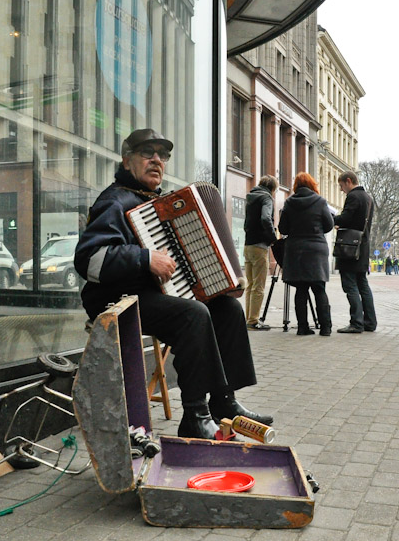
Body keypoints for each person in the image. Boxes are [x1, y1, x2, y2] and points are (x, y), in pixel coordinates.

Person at [74, 128, 272, 440]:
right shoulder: (114, 201)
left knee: (228, 308)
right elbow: (89, 261)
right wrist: (144, 258)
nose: (156, 160)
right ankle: (194, 413)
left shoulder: (158, 202)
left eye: (162, 155)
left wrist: (219, 282)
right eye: (146, 153)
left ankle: (223, 402)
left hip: (152, 294)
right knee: (193, 314)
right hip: (117, 298)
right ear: (127, 162)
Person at [278, 172, 333, 336]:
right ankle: (325, 328)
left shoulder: (289, 203)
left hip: (296, 250)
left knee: (301, 290)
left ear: (296, 186)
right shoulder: (320, 201)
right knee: (319, 288)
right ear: (312, 185)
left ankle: (302, 327)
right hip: (316, 249)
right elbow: (329, 225)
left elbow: (283, 229)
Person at [333, 171, 377, 333]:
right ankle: (370, 322)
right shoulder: (368, 198)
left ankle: (356, 322)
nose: (341, 189)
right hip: (362, 247)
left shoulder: (354, 197)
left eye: (342, 185)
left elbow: (346, 218)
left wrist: (333, 218)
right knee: (363, 285)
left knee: (350, 285)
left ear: (349, 181)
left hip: (349, 248)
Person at [243, 175, 278, 330]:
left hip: (248, 245)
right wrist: (272, 238)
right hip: (259, 246)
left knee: (250, 285)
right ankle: (253, 321)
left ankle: (248, 318)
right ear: (272, 188)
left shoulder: (251, 197)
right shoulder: (266, 198)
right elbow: (265, 218)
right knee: (259, 285)